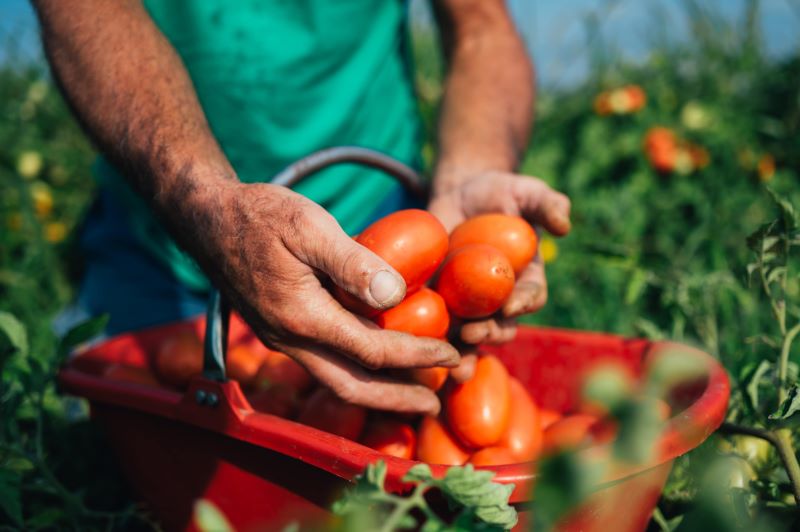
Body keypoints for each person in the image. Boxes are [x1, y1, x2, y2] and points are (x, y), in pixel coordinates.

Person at [33, 0, 571, 415]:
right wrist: (201, 199)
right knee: (98, 430)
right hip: (157, 235)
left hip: (378, 225)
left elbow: (480, 23)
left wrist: (470, 175)